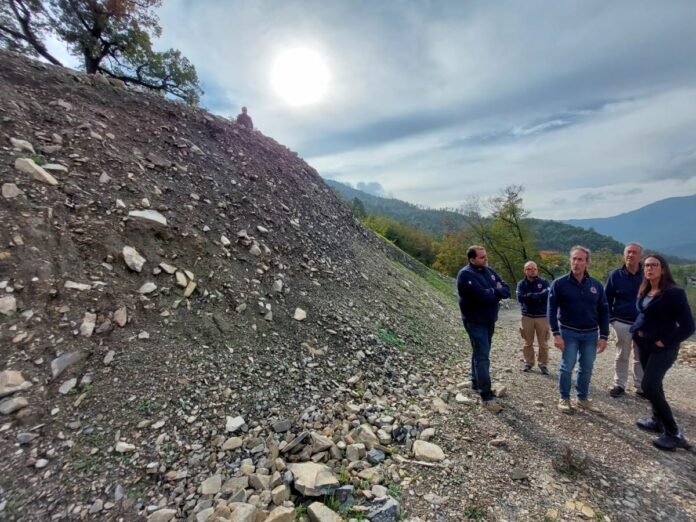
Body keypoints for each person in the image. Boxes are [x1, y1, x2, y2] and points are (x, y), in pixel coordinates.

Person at [630, 254, 694, 451]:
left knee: (648, 386)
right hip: (645, 345)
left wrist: (664, 341)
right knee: (655, 385)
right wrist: (638, 333)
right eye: (646, 265)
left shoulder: (674, 293)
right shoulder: (645, 290)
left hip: (664, 348)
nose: (649, 268)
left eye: (654, 265)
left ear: (663, 269)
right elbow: (644, 315)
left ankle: (674, 434)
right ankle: (657, 421)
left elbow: (688, 326)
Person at [548, 246, 609, 413]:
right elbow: (551, 310)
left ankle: (582, 398)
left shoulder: (596, 285)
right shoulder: (559, 284)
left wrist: (604, 335)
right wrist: (556, 334)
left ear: (587, 263)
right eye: (574, 259)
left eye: (580, 259)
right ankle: (564, 398)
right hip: (568, 332)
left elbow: (604, 311)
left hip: (591, 334)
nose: (576, 262)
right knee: (567, 366)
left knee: (587, 368)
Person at [456, 246, 511, 413]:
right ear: (472, 259)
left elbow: (506, 290)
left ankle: (475, 383)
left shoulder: (489, 271)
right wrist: (496, 291)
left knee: (479, 352)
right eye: (482, 257)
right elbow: (481, 296)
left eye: (486, 256)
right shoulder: (465, 275)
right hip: (475, 321)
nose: (486, 259)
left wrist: (493, 291)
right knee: (482, 357)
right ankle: (486, 397)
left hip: (489, 320)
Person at [605, 243, 645, 398]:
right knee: (622, 355)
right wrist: (612, 319)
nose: (631, 255)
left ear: (640, 256)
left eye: (634, 252)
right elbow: (606, 298)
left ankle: (640, 387)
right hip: (621, 322)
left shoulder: (647, 275)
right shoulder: (615, 275)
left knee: (640, 355)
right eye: (628, 252)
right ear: (624, 255)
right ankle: (619, 384)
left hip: (643, 323)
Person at [516, 261, 551, 374]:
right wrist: (538, 295)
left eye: (534, 269)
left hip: (542, 317)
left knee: (543, 343)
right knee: (528, 342)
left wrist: (530, 296)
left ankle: (543, 365)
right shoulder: (521, 284)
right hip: (527, 317)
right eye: (529, 269)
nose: (533, 271)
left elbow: (547, 295)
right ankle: (529, 363)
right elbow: (520, 298)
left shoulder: (544, 282)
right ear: (525, 271)